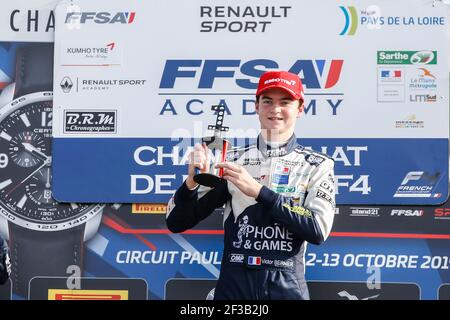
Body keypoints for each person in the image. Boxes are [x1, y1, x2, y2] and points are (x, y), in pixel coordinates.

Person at [166, 70, 335, 300]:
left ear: (300, 108)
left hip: (287, 289)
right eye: (267, 101)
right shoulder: (232, 161)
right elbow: (176, 222)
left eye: (285, 102)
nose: (275, 109)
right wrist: (191, 181)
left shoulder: (317, 165)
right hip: (234, 290)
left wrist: (259, 192)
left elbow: (317, 230)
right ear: (256, 106)